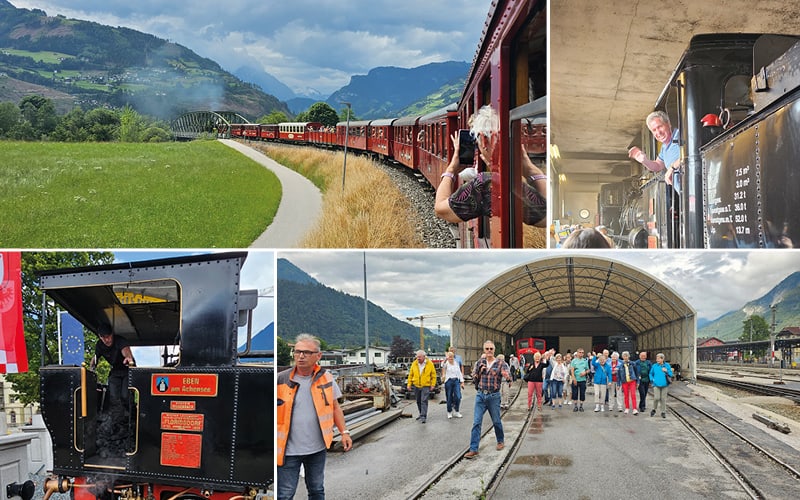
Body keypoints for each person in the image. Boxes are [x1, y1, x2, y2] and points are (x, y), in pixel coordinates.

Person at [434, 105, 547, 226]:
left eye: (477, 139)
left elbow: (440, 209)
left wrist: (451, 170)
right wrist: (530, 170)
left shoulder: (486, 183)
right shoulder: (513, 182)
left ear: (484, 139)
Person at [277, 334, 352, 500]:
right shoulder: (280, 380)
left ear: (318, 356)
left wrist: (344, 432)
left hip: (317, 449)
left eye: (306, 352)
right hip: (288, 451)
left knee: (317, 490)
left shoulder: (326, 378)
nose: (301, 356)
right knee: (285, 494)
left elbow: (335, 408)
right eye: (297, 352)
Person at [464, 340, 512, 459]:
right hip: (481, 395)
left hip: (494, 396)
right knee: (476, 422)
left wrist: (507, 377)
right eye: (487, 349)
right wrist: (478, 372)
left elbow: (508, 376)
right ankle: (474, 448)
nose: (489, 351)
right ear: (484, 350)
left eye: (491, 349)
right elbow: (474, 378)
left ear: (494, 350)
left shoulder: (501, 363)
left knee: (496, 421)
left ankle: (500, 441)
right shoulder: (479, 362)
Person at [627, 110, 681, 191]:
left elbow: (691, 154)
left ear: (668, 124)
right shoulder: (664, 148)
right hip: (685, 194)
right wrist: (644, 161)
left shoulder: (680, 135)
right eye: (654, 130)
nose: (658, 132)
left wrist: (672, 168)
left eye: (660, 127)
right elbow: (658, 166)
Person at [91, 326, 135, 410]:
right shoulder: (99, 345)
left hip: (127, 369)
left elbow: (126, 351)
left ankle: (131, 416)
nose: (107, 340)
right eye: (104, 338)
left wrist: (128, 358)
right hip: (115, 370)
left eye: (108, 336)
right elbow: (95, 358)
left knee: (125, 395)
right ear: (100, 337)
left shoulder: (120, 341)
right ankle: (117, 420)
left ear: (112, 334)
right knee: (113, 397)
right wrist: (91, 369)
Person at [406, 350, 437, 423]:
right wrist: (409, 384)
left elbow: (433, 375)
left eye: (419, 357)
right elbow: (410, 375)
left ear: (424, 357)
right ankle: (421, 413)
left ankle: (423, 416)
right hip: (416, 385)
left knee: (424, 400)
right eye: (417, 357)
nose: (418, 358)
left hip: (425, 385)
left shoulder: (430, 364)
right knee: (418, 401)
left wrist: (433, 385)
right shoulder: (414, 363)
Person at [649, 352, 674, 418]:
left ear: (662, 359)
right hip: (656, 384)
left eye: (658, 358)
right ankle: (654, 409)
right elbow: (650, 373)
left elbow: (671, 374)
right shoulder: (654, 366)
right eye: (656, 358)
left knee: (663, 399)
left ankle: (663, 411)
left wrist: (666, 371)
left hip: (664, 385)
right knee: (656, 398)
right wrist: (652, 379)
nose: (657, 360)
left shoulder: (667, 365)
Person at [442, 351, 464, 419]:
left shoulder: (456, 363)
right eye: (449, 357)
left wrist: (462, 381)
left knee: (458, 396)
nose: (451, 359)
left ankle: (456, 410)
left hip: (456, 381)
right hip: (449, 381)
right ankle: (449, 411)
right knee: (449, 397)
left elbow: (459, 373)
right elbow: (442, 365)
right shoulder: (446, 364)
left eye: (452, 357)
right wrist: (446, 359)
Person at [569, 348, 590, 412]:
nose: (581, 354)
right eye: (580, 352)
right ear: (577, 353)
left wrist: (585, 373)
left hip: (583, 379)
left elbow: (588, 369)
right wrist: (574, 379)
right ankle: (575, 406)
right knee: (575, 393)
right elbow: (572, 371)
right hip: (576, 379)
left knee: (582, 393)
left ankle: (581, 406)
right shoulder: (574, 361)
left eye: (582, 353)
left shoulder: (585, 361)